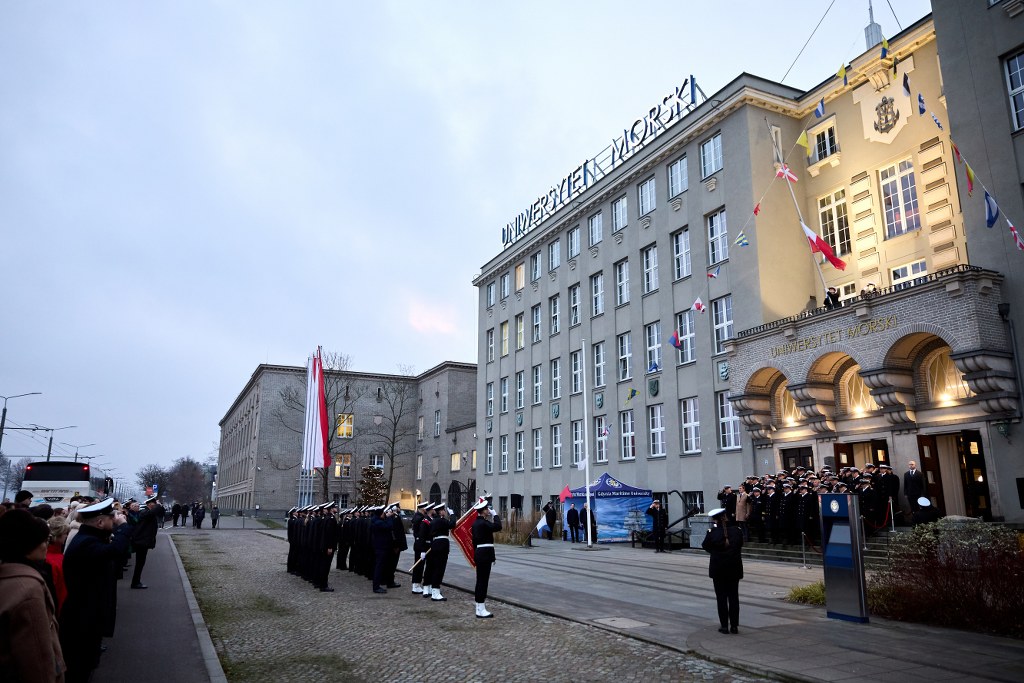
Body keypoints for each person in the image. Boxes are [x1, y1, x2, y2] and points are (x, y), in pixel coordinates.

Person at [60, 498, 132, 683]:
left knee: (86, 662)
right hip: (83, 617)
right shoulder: (87, 543)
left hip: (88, 614)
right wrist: (123, 527)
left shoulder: (90, 538)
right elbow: (115, 551)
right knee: (80, 666)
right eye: (110, 518)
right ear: (100, 523)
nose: (114, 520)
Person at [0, 508, 66, 682]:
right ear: (29, 545)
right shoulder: (29, 590)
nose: (46, 546)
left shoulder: (7, 574)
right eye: (44, 540)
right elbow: (38, 658)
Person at [701, 507, 743, 635]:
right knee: (734, 597)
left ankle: (724, 626)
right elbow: (740, 545)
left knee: (721, 598)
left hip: (718, 569)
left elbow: (705, 546)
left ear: (715, 520)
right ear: (726, 517)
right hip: (734, 568)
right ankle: (734, 626)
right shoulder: (737, 531)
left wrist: (716, 552)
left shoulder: (712, 532)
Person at [471, 499, 502, 618]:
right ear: (483, 511)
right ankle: (481, 608)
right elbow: (498, 526)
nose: (489, 510)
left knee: (480, 581)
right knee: (483, 582)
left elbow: (474, 542)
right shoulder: (483, 523)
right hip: (484, 554)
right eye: (487, 509)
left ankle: (479, 607)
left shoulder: (475, 523)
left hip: (480, 553)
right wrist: (495, 515)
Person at [423, 504, 452, 601]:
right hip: (441, 546)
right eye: (444, 510)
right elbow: (452, 524)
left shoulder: (433, 521)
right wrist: (452, 515)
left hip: (435, 545)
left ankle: (434, 590)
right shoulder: (441, 520)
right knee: (439, 569)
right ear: (441, 512)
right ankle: (435, 592)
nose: (445, 512)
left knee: (435, 568)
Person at [130, 496, 160, 589]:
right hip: (141, 541)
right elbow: (152, 513)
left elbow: (157, 512)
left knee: (140, 563)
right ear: (149, 504)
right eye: (154, 503)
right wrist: (158, 505)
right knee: (139, 563)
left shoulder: (146, 512)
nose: (155, 505)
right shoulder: (144, 512)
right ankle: (135, 582)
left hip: (143, 541)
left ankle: (136, 581)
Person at [46, 516, 70, 615]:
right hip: (58, 609)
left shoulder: (54, 556)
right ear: (58, 535)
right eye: (65, 533)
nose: (67, 536)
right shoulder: (52, 560)